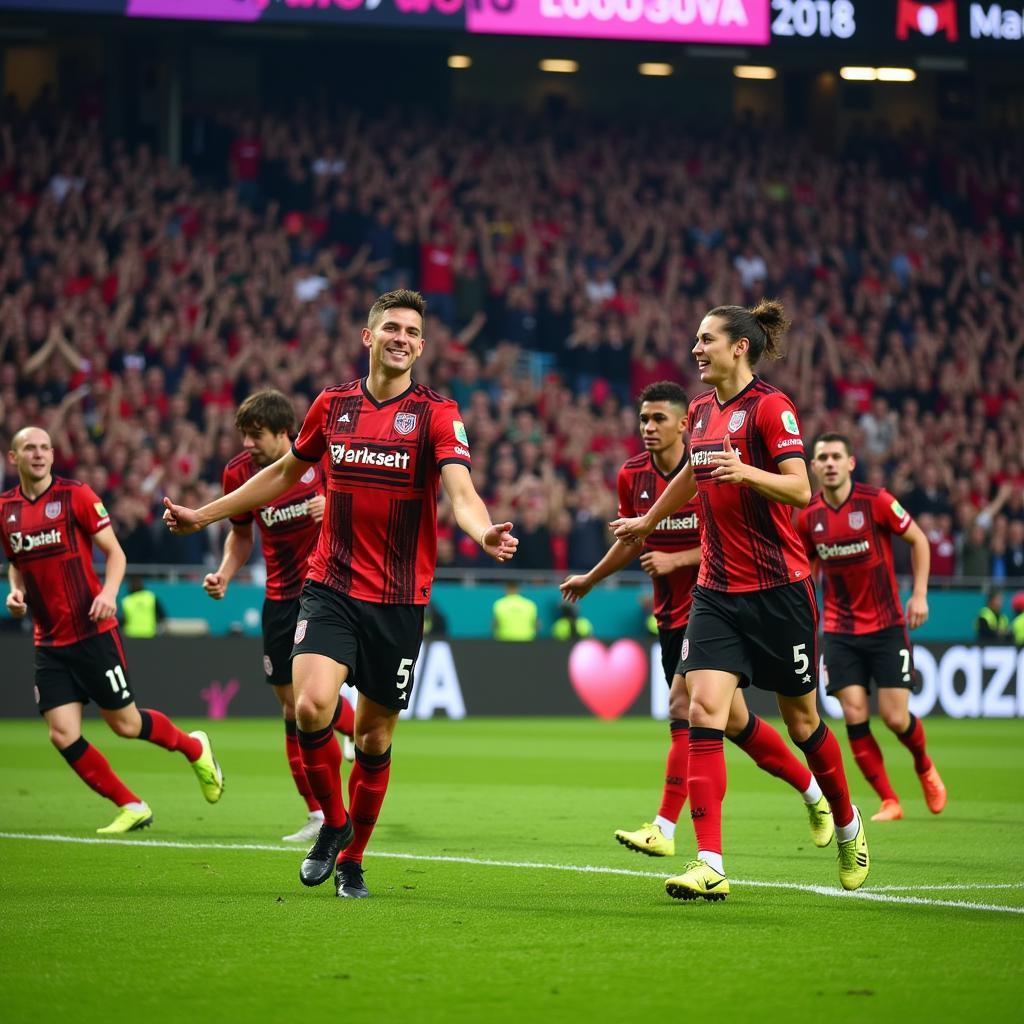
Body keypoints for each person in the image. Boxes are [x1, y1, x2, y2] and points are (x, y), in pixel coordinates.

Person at [162, 289, 517, 898]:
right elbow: (279, 475)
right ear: (368, 336)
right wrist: (204, 515)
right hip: (330, 585)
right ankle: (332, 822)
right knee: (309, 707)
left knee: (375, 738)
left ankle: (353, 857)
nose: (401, 338)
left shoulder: (437, 413)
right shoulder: (332, 405)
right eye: (391, 329)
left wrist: (482, 530)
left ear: (422, 345)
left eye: (411, 331)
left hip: (400, 599)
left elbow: (460, 490)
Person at [612, 300, 869, 901]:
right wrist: (648, 519)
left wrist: (745, 472)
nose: (696, 349)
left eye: (707, 340)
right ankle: (710, 862)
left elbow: (802, 487)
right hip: (718, 590)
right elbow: (693, 477)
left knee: (803, 721)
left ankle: (848, 823)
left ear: (739, 348)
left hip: (779, 592)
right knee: (702, 709)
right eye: (696, 339)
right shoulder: (700, 410)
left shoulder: (770, 408)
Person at [562, 381, 833, 860]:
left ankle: (668, 828)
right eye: (643, 419)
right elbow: (634, 537)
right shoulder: (633, 477)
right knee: (732, 724)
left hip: (722, 603)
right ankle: (812, 792)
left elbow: (728, 531)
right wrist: (592, 578)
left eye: (658, 419)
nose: (648, 428)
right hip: (675, 615)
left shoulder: (717, 464)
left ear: (684, 424)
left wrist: (679, 561)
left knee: (683, 706)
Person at [1, 427, 224, 834]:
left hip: (92, 630)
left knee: (125, 725)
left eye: (44, 448)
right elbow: (16, 560)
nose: (38, 454)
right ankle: (131, 804)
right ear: (13, 458)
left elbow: (115, 552)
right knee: (61, 733)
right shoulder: (6, 510)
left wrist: (109, 592)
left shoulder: (76, 496)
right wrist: (16, 592)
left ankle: (195, 747)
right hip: (48, 641)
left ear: (53, 455)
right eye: (28, 448)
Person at [205, 388, 356, 844]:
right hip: (278, 598)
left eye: (257, 436)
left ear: (285, 433)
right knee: (292, 709)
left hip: (326, 591)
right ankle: (317, 813)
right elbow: (241, 536)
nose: (248, 445)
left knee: (311, 704)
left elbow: (364, 509)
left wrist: (333, 506)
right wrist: (226, 573)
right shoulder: (237, 474)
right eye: (245, 435)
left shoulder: (322, 459)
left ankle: (346, 746)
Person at [797, 434, 945, 823]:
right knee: (854, 714)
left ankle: (924, 765)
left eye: (836, 457)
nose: (829, 463)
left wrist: (920, 595)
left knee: (896, 718)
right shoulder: (807, 515)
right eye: (822, 457)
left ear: (850, 463)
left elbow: (918, 540)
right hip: (841, 631)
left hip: (886, 626)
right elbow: (806, 567)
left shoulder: (875, 501)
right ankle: (889, 800)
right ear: (813, 466)